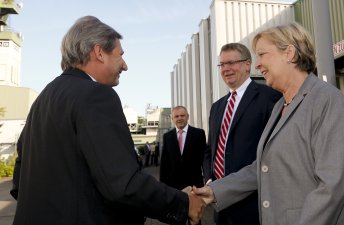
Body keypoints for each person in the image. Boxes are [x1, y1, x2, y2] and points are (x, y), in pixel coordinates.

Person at [10, 15, 205, 225]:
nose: (125, 65)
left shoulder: (44, 98)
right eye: (120, 54)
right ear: (99, 52)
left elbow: (20, 183)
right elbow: (122, 184)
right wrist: (184, 203)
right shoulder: (95, 95)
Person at [194, 22, 344, 225]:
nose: (257, 64)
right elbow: (264, 166)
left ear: (289, 53)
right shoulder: (280, 106)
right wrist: (215, 190)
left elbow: (332, 185)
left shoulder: (326, 99)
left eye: (262, 55)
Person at [203, 42, 280, 225]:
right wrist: (210, 179)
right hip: (220, 205)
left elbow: (273, 153)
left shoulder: (270, 98)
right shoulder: (217, 107)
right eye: (222, 64)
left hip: (253, 203)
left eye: (231, 63)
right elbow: (210, 150)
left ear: (247, 64)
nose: (226, 69)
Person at [160, 106, 206, 190]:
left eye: (182, 115)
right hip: (173, 186)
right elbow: (164, 163)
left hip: (195, 185)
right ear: (172, 119)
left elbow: (204, 159)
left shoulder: (199, 134)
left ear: (187, 116)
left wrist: (207, 181)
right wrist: (162, 187)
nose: (179, 118)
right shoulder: (167, 137)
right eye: (176, 116)